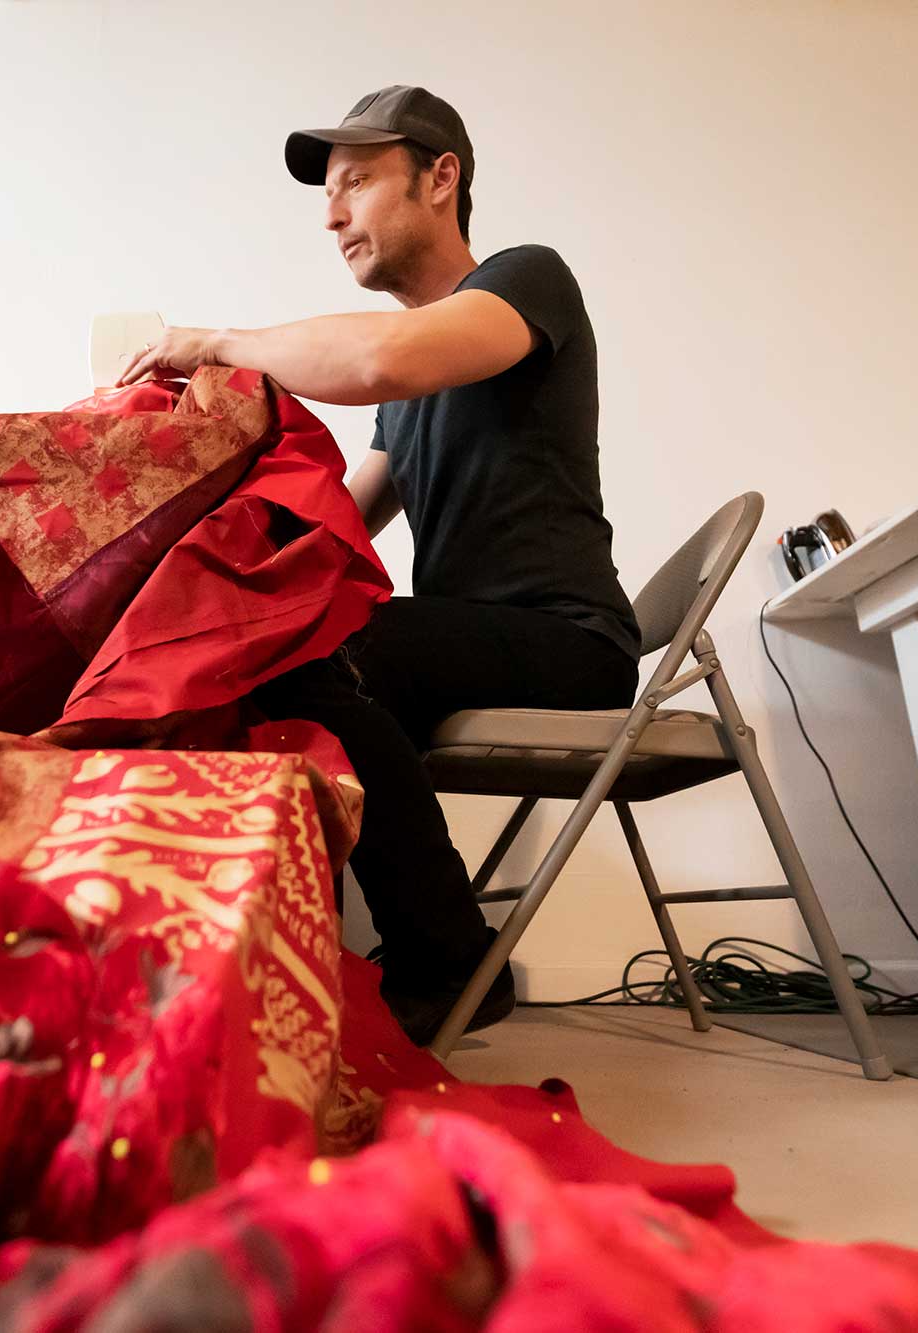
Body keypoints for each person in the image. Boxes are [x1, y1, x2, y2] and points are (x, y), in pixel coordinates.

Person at [117, 86, 642, 1043]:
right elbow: (338, 527)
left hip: (570, 639)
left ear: (441, 179)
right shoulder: (403, 392)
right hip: (469, 645)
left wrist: (219, 343)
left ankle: (448, 959)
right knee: (268, 654)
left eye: (356, 183)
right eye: (328, 193)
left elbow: (383, 359)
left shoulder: (525, 283)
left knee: (325, 652)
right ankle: (278, 964)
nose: (331, 214)